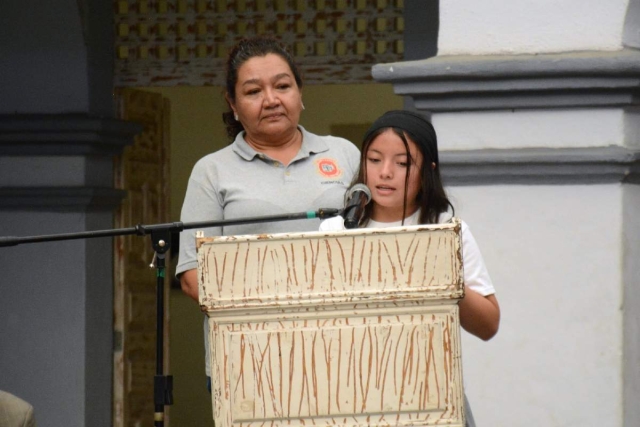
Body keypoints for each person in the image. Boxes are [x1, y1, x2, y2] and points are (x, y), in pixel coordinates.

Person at [176, 36, 360, 388]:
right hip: (249, 356)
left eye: (282, 86)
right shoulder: (212, 171)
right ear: (233, 103)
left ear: (300, 92)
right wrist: (270, 319)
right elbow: (192, 276)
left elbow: (375, 242)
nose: (272, 100)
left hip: (341, 346)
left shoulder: (343, 154)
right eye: (253, 91)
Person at [319, 109, 500, 426]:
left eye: (402, 163)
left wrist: (448, 280)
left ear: (427, 171)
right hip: (352, 396)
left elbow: (488, 325)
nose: (385, 172)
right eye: (374, 160)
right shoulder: (334, 231)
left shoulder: (447, 229)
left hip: (433, 396)